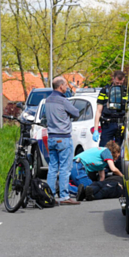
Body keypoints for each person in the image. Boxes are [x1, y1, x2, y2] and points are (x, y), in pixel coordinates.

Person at [42, 76, 80, 206]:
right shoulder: (63, 101)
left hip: (51, 137)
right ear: (61, 86)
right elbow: (76, 112)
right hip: (63, 137)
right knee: (65, 167)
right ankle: (64, 196)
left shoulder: (47, 100)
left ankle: (50, 194)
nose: (67, 87)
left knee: (52, 167)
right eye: (65, 85)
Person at [94, 70, 129, 148]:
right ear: (113, 79)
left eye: (121, 83)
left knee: (119, 152)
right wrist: (96, 129)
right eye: (117, 83)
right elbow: (98, 111)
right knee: (103, 150)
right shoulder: (104, 91)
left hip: (121, 125)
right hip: (108, 124)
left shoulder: (126, 91)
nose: (119, 85)